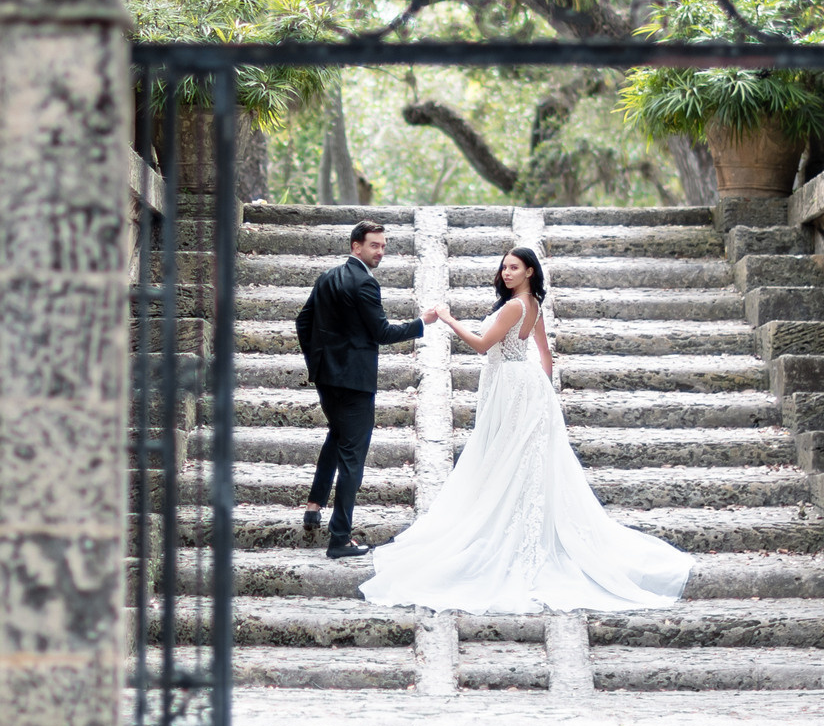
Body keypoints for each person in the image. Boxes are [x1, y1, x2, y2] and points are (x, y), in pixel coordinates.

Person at [361, 246, 692, 612]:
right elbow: (545, 355)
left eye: (514, 268)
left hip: (512, 387)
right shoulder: (533, 304)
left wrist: (448, 319)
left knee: (506, 457)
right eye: (504, 267)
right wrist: (543, 395)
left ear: (530, 271)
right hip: (526, 386)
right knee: (520, 459)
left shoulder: (516, 307)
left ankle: (508, 534)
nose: (506, 273)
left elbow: (483, 346)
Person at [294, 221, 438, 560]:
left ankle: (314, 505)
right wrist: (422, 323)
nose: (381, 252)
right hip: (354, 384)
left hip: (327, 379)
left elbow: (303, 322)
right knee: (352, 459)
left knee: (336, 436)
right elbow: (382, 332)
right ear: (356, 246)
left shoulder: (328, 277)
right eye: (375, 245)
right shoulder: (364, 284)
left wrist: (319, 363)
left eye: (384, 246)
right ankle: (339, 538)